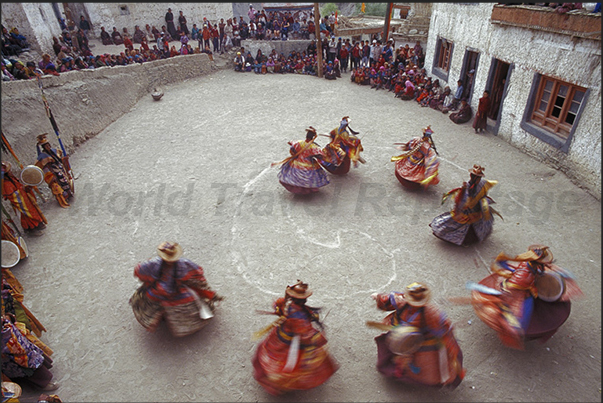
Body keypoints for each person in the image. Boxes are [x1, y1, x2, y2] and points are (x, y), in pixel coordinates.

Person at [471, 245, 583, 350]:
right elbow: (516, 284)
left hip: (527, 285)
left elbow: (543, 270)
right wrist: (530, 286)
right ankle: (516, 328)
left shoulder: (534, 266)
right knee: (523, 312)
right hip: (518, 291)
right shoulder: (524, 273)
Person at [369, 282, 465, 388]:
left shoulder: (432, 313)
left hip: (423, 342)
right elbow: (389, 299)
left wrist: (445, 343)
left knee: (424, 366)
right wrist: (378, 297)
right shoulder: (403, 301)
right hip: (400, 335)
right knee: (393, 350)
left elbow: (443, 328)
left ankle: (405, 371)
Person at [252, 280, 339, 395]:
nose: (306, 299)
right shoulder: (298, 316)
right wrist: (318, 338)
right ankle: (280, 382)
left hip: (279, 334)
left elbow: (276, 306)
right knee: (295, 363)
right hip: (292, 341)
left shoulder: (284, 302)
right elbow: (304, 333)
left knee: (273, 353)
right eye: (304, 298)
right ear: (301, 300)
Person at [129, 242, 222, 337]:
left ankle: (175, 320)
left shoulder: (183, 263)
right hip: (157, 291)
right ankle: (157, 317)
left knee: (187, 306)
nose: (169, 261)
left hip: (178, 291)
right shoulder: (156, 263)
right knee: (151, 301)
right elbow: (141, 269)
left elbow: (196, 272)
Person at [430, 164, 499, 246]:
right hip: (466, 212)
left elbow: (483, 196)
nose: (475, 179)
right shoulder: (467, 187)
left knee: (476, 225)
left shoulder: (482, 184)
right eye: (474, 176)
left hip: (476, 211)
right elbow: (461, 202)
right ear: (471, 175)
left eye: (477, 177)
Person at [273, 127, 330, 194]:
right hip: (308, 164)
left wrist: (295, 155)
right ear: (313, 137)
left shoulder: (299, 143)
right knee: (310, 177)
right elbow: (320, 156)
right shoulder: (313, 147)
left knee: (294, 175)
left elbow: (292, 149)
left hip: (297, 162)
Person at [1, 162, 47, 234]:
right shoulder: (6, 184)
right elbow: (12, 196)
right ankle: (32, 229)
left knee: (33, 209)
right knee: (26, 215)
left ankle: (38, 224)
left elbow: (19, 185)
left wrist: (25, 187)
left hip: (25, 198)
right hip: (20, 202)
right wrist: (22, 190)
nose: (10, 171)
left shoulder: (12, 179)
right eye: (9, 171)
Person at [35, 134, 73, 208]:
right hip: (52, 171)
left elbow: (60, 155)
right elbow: (40, 165)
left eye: (48, 145)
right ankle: (64, 198)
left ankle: (69, 193)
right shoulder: (42, 156)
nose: (48, 147)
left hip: (59, 168)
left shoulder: (53, 151)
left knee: (65, 180)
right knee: (57, 184)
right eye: (46, 146)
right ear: (44, 147)